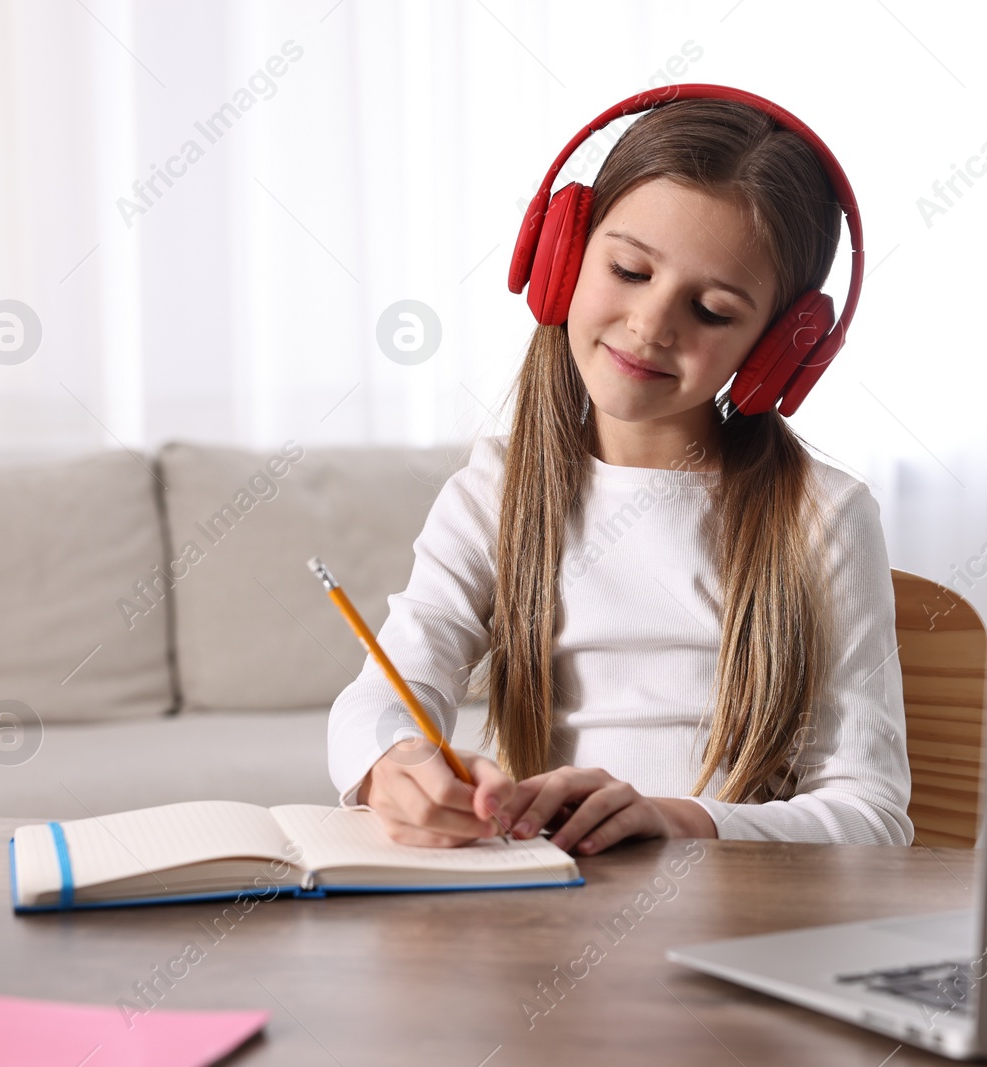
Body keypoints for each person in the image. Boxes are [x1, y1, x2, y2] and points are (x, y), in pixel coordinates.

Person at [327, 92, 912, 855]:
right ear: (560, 256)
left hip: (735, 924)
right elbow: (384, 689)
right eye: (631, 270)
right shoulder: (495, 493)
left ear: (776, 352)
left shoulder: (821, 516)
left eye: (711, 310)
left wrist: (678, 819)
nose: (651, 324)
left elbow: (872, 814)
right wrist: (393, 759)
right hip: (550, 920)